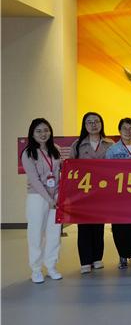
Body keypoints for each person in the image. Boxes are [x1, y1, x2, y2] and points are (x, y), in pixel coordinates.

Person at [70, 112, 113, 274]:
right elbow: (70, 169)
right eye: (89, 122)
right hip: (83, 193)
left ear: (101, 124)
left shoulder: (110, 144)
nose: (93, 125)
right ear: (84, 125)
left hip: (103, 193)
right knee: (84, 227)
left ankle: (97, 258)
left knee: (98, 226)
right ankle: (85, 261)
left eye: (96, 121)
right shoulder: (78, 145)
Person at [22, 118, 63, 283]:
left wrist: (57, 196)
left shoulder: (56, 150)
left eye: (46, 130)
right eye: (38, 131)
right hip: (37, 197)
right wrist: (48, 199)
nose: (43, 134)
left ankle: (51, 266)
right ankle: (36, 269)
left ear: (50, 132)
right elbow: (34, 180)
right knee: (36, 233)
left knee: (54, 233)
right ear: (32, 134)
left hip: (56, 197)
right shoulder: (28, 153)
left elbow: (60, 173)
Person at [105, 118, 131, 269]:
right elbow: (107, 172)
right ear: (119, 131)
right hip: (119, 194)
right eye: (125, 129)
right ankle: (122, 255)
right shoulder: (112, 150)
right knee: (120, 226)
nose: (128, 131)